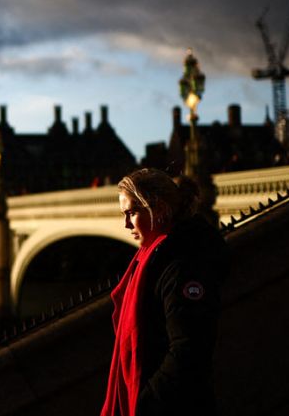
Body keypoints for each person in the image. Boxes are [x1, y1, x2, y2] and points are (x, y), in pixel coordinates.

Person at [101, 169, 228, 416]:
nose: (126, 224)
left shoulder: (182, 267)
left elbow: (188, 350)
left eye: (132, 213)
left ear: (157, 209)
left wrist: (145, 403)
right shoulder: (154, 258)